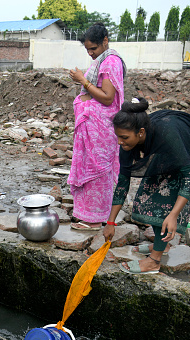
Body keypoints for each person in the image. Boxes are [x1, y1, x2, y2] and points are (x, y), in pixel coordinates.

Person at [104, 98, 190, 275]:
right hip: (169, 154)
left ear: (140, 132)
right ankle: (162, 244)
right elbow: (123, 182)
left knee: (164, 205)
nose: (119, 142)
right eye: (117, 136)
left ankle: (154, 261)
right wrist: (110, 222)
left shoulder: (166, 133)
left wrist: (173, 214)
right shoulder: (126, 144)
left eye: (124, 137)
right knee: (146, 199)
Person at [68, 22, 126, 231]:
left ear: (105, 41)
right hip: (92, 128)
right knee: (90, 168)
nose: (91, 53)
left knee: (97, 170)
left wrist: (83, 80)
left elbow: (108, 98)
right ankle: (89, 214)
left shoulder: (110, 62)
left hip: (101, 129)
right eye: (87, 50)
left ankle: (94, 219)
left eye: (93, 48)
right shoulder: (102, 61)